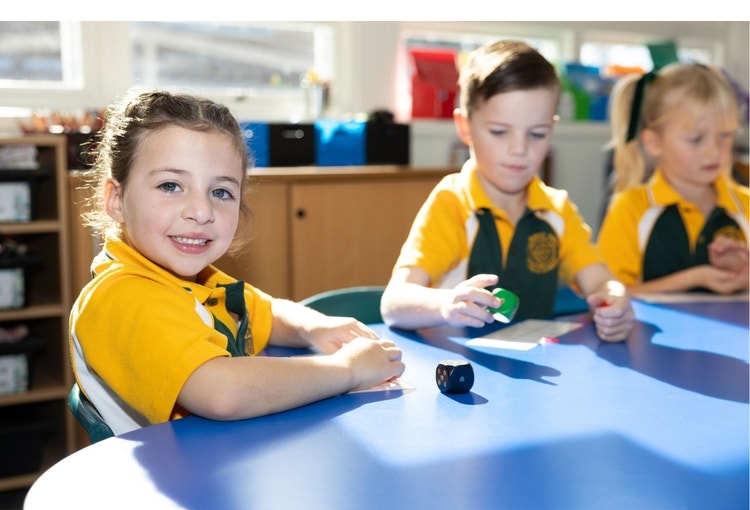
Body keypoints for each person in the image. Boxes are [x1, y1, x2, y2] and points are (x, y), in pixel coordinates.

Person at [70, 89, 404, 436]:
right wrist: (346, 369)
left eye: (220, 192)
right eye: (170, 185)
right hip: (181, 483)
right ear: (117, 200)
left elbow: (266, 313)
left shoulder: (199, 281)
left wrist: (314, 327)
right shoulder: (122, 297)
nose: (201, 212)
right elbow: (222, 393)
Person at [380, 40, 635, 343]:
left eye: (537, 134)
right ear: (465, 127)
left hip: (534, 375)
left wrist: (615, 301)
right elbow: (393, 303)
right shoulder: (452, 204)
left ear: (551, 130)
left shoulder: (557, 210)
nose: (520, 150)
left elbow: (600, 281)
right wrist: (445, 304)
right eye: (500, 132)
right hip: (461, 373)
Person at [597, 63, 749, 295]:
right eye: (696, 139)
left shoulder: (745, 205)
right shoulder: (629, 209)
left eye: (724, 135)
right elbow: (608, 294)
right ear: (654, 142)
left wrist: (742, 274)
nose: (714, 152)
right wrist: (695, 278)